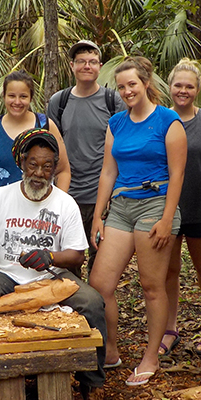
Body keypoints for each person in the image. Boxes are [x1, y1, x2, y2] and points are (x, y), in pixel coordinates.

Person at [0, 129, 107, 400]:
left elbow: (77, 255)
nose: (39, 173)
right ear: (21, 163)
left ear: (55, 169)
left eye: (47, 166)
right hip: (4, 273)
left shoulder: (65, 203)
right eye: (33, 164)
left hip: (52, 275)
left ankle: (91, 382)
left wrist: (51, 257)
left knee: (93, 302)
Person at [89, 56, 187, 386]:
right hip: (121, 206)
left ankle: (151, 357)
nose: (127, 91)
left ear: (146, 83)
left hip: (156, 204)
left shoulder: (168, 121)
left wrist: (167, 217)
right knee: (100, 285)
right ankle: (112, 350)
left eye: (132, 84)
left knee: (151, 286)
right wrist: (98, 216)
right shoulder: (116, 123)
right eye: (121, 87)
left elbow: (178, 174)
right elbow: (108, 171)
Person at [160, 58, 201, 357]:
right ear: (169, 87)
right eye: (178, 85)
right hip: (167, 209)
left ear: (198, 89)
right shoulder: (160, 119)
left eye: (189, 86)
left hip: (200, 206)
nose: (182, 90)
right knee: (168, 271)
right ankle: (169, 328)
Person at [47, 40, 125, 275]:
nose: (86, 66)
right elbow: (52, 148)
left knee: (100, 263)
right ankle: (69, 310)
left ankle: (96, 309)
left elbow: (122, 146)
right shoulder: (58, 102)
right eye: (81, 62)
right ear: (72, 66)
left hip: (101, 195)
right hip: (67, 194)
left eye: (92, 62)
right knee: (69, 264)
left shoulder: (113, 101)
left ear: (100, 66)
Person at [0, 71, 71, 205]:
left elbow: (63, 171)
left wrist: (58, 204)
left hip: (37, 207)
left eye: (23, 96)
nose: (17, 102)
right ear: (4, 96)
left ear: (30, 98)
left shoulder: (45, 125)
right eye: (11, 96)